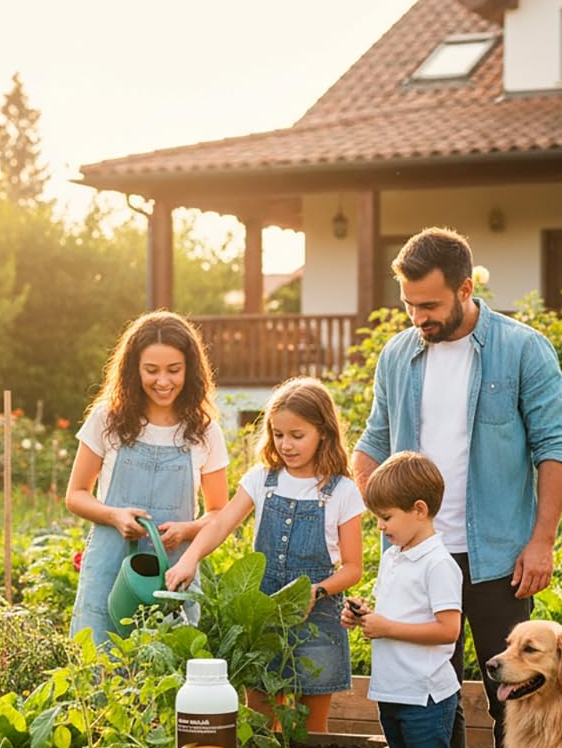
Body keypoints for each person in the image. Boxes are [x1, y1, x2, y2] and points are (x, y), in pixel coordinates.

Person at [352, 226, 562, 748]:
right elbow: (374, 440)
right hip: (421, 556)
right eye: (409, 305)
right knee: (433, 691)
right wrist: (365, 503)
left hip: (499, 553)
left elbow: (554, 447)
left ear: (465, 288)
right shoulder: (398, 355)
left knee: (516, 690)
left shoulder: (522, 349)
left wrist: (541, 540)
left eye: (429, 305)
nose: (418, 317)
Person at [164, 376, 364, 727]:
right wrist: (190, 558)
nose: (285, 445)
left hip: (317, 618)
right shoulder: (262, 479)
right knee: (260, 722)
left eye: (297, 435)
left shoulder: (342, 491)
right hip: (264, 613)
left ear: (323, 432)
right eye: (278, 434)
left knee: (311, 731)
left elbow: (353, 568)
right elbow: (221, 524)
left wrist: (316, 591)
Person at [343, 451, 462, 748]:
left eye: (387, 517)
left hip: (425, 694)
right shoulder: (396, 557)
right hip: (394, 690)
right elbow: (397, 615)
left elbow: (448, 630)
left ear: (419, 510)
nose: (381, 526)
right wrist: (365, 617)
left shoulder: (438, 564)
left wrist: (388, 627)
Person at [66, 310, 229, 644]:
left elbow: (219, 512)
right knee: (99, 663)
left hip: (173, 571)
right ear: (133, 369)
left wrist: (187, 530)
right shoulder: (107, 419)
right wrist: (114, 515)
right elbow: (76, 494)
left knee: (166, 663)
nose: (163, 381)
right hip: (109, 566)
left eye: (174, 370)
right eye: (151, 370)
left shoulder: (204, 431)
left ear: (190, 369)